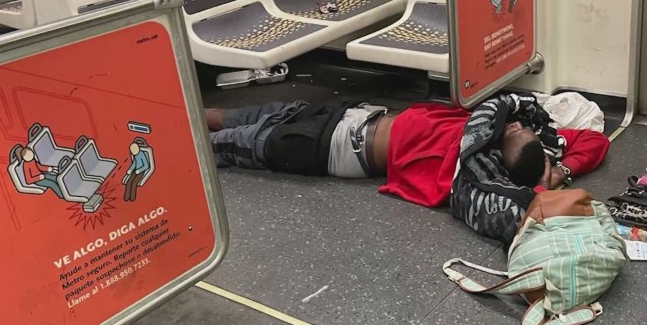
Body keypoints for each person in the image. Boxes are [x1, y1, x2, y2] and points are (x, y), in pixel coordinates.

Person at [205, 98, 609, 209]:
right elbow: (594, 141)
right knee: (228, 116)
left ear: (499, 155)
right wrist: (563, 169)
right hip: (352, 112)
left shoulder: (469, 168)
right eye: (519, 128)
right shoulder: (529, 143)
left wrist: (545, 186)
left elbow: (513, 205)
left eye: (513, 134)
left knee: (225, 145)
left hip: (331, 146)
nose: (515, 124)